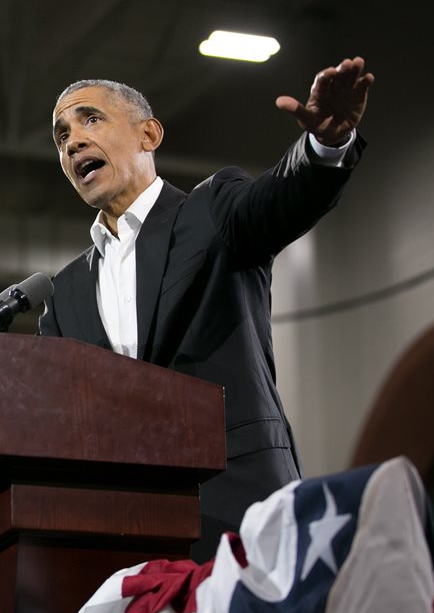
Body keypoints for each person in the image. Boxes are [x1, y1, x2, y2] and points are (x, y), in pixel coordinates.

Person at [39, 58, 374, 560]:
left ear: (149, 134)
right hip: (125, 538)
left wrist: (324, 146)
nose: (73, 142)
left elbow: (283, 198)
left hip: (239, 511)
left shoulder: (211, 210)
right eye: (61, 135)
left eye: (90, 120)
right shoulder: (62, 297)